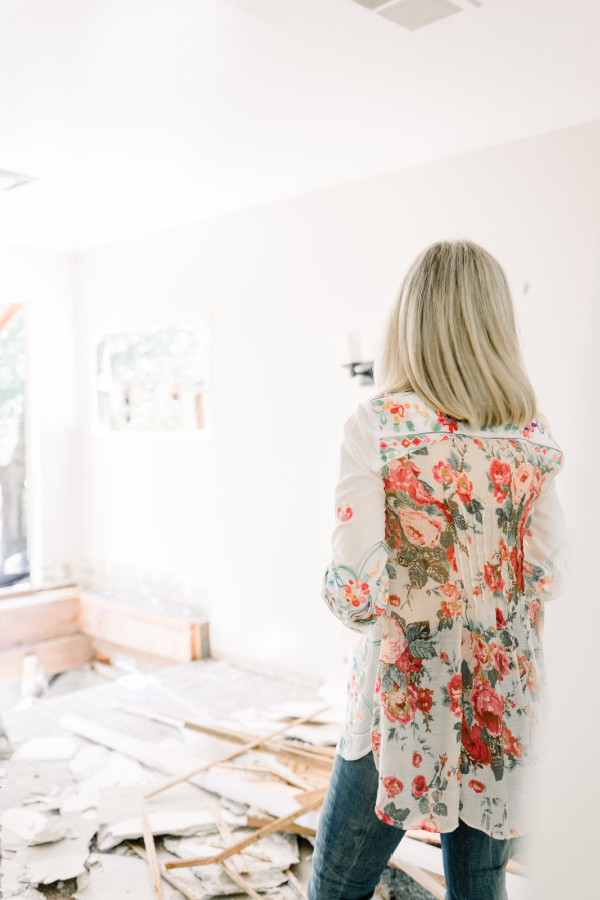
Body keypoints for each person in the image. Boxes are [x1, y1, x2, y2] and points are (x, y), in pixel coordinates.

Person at [309, 240, 569, 900]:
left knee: (337, 886)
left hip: (404, 701)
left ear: (409, 321)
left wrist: (369, 585)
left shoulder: (378, 425)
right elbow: (546, 575)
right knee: (479, 889)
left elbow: (359, 595)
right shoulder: (532, 437)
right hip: (506, 701)